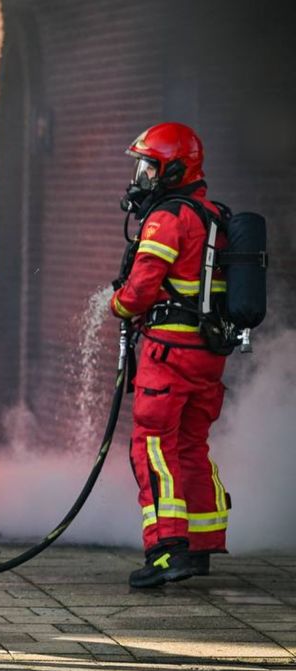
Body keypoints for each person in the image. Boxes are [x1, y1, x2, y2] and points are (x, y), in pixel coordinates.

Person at [111, 122, 231, 589]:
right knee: (190, 445)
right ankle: (200, 544)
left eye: (149, 167)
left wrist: (117, 304)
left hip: (170, 354)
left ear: (174, 168)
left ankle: (166, 549)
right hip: (208, 355)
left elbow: (139, 291)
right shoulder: (213, 215)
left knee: (153, 446)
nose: (142, 177)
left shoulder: (167, 219)